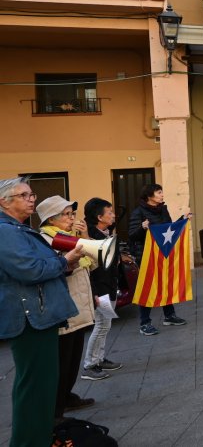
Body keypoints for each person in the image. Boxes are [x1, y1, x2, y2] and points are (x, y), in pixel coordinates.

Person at [0, 178, 82, 446]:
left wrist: (60, 263)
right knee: (35, 387)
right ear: (4, 201)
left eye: (31, 194)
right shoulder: (6, 231)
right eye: (24, 195)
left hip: (37, 317)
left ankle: (38, 438)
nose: (31, 198)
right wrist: (64, 261)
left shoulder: (17, 229)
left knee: (42, 386)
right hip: (30, 319)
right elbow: (30, 270)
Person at [36, 195, 99, 419]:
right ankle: (56, 410)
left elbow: (91, 264)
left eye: (72, 214)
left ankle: (67, 396)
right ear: (51, 219)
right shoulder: (45, 240)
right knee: (62, 361)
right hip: (64, 308)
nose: (72, 218)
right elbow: (61, 269)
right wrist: (72, 257)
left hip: (79, 305)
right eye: (66, 214)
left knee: (73, 359)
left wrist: (85, 239)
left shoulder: (70, 237)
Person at [128, 183, 187, 335]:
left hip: (163, 253)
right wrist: (142, 228)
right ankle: (145, 323)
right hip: (146, 256)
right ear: (150, 196)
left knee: (165, 283)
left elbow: (168, 230)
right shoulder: (138, 212)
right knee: (147, 287)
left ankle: (169, 316)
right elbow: (132, 235)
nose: (162, 195)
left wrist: (182, 220)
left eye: (162, 192)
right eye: (159, 192)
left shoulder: (163, 209)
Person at [81, 197, 123, 380]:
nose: (113, 215)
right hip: (100, 287)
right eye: (110, 212)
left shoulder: (105, 231)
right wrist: (95, 292)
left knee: (105, 325)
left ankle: (99, 358)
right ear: (99, 217)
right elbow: (91, 265)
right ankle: (90, 365)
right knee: (101, 325)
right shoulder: (89, 236)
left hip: (110, 285)